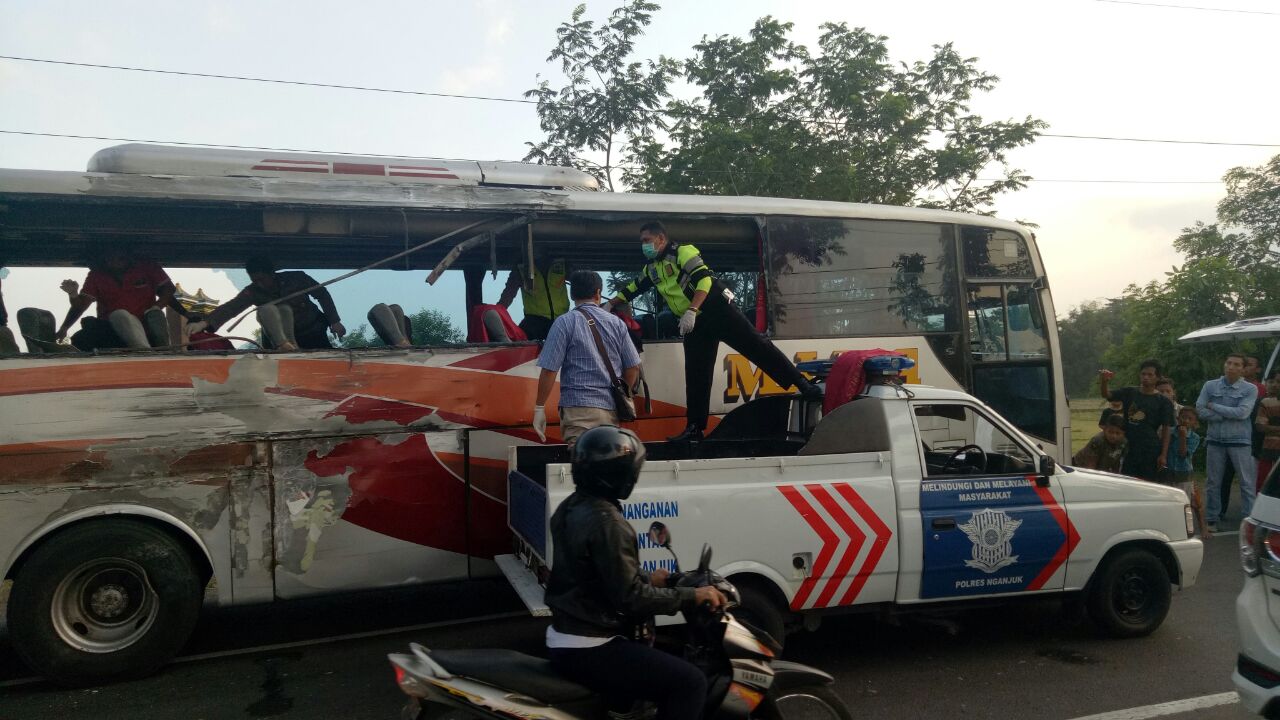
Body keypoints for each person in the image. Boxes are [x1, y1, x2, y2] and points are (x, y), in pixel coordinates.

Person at [544, 425, 725, 719]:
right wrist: (693, 595)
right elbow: (632, 599)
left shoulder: (570, 507)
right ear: (619, 474)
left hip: (567, 633)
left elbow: (591, 573)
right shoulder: (608, 522)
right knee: (690, 682)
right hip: (592, 644)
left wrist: (646, 577)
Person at [609, 221, 820, 441]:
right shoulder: (652, 268)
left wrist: (691, 309)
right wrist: (608, 305)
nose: (644, 245)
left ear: (661, 238)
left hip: (716, 309)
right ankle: (695, 428)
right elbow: (633, 288)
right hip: (695, 323)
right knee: (696, 373)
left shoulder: (683, 252)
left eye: (647, 240)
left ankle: (801, 384)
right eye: (642, 242)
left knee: (757, 346)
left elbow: (704, 280)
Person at [533, 271, 641, 446]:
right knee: (607, 461)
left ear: (572, 294)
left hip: (578, 410)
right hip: (610, 409)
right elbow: (633, 367)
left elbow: (549, 369)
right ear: (598, 293)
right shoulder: (616, 323)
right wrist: (623, 393)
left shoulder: (564, 322)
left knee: (583, 464)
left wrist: (539, 407)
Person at [190, 257, 345, 351]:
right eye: (255, 281)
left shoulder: (298, 278)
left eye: (262, 280)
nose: (260, 284)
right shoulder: (252, 292)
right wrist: (204, 323)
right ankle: (284, 346)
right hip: (281, 340)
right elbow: (231, 308)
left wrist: (335, 321)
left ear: (272, 274)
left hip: (313, 332)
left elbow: (322, 294)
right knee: (266, 310)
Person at [55, 247, 177, 350]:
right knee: (81, 337)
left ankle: (162, 350)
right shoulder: (96, 275)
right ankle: (143, 351)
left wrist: (156, 307)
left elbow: (168, 290)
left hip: (148, 327)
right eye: (109, 259)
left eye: (119, 258)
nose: (114, 262)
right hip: (113, 330)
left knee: (155, 314)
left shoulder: (147, 267)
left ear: (128, 257)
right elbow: (80, 305)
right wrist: (73, 295)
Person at [1197, 353, 1260, 531]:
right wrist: (1222, 415)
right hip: (1215, 440)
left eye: (1237, 364)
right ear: (1224, 365)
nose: (1231, 367)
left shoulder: (1250, 389)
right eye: (1229, 363)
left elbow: (1243, 413)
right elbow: (1200, 409)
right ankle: (1211, 519)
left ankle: (1249, 521)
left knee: (1246, 483)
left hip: (1240, 441)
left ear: (1243, 369)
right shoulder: (1210, 386)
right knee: (1213, 482)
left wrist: (1214, 406)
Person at [1098, 361, 1174, 481]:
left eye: (1150, 375)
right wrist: (1104, 381)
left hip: (1150, 450)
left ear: (1157, 378)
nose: (1145, 377)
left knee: (1148, 484)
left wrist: (1163, 455)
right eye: (1143, 374)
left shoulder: (1163, 402)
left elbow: (1166, 428)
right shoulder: (1130, 392)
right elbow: (1106, 394)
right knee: (1128, 482)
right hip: (1128, 447)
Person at [498, 252, 569, 341]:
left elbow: (579, 284)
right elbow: (508, 294)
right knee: (520, 341)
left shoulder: (561, 263)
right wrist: (497, 313)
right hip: (534, 323)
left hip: (562, 320)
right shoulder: (521, 267)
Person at [1167, 406, 1209, 537]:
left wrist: (1183, 437)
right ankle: (1174, 528)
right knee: (1172, 502)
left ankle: (1199, 529)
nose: (1186, 420)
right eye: (1183, 417)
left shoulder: (1194, 437)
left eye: (1190, 419)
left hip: (1185, 474)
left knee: (1192, 503)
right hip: (1169, 472)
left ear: (1194, 423)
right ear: (1178, 418)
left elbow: (1183, 453)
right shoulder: (1170, 432)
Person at [1257, 370, 1280, 492]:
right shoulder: (1265, 402)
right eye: (1272, 381)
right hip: (1269, 450)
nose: (1275, 385)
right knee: (1264, 484)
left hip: (1269, 447)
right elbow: (1260, 426)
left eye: (1279, 382)